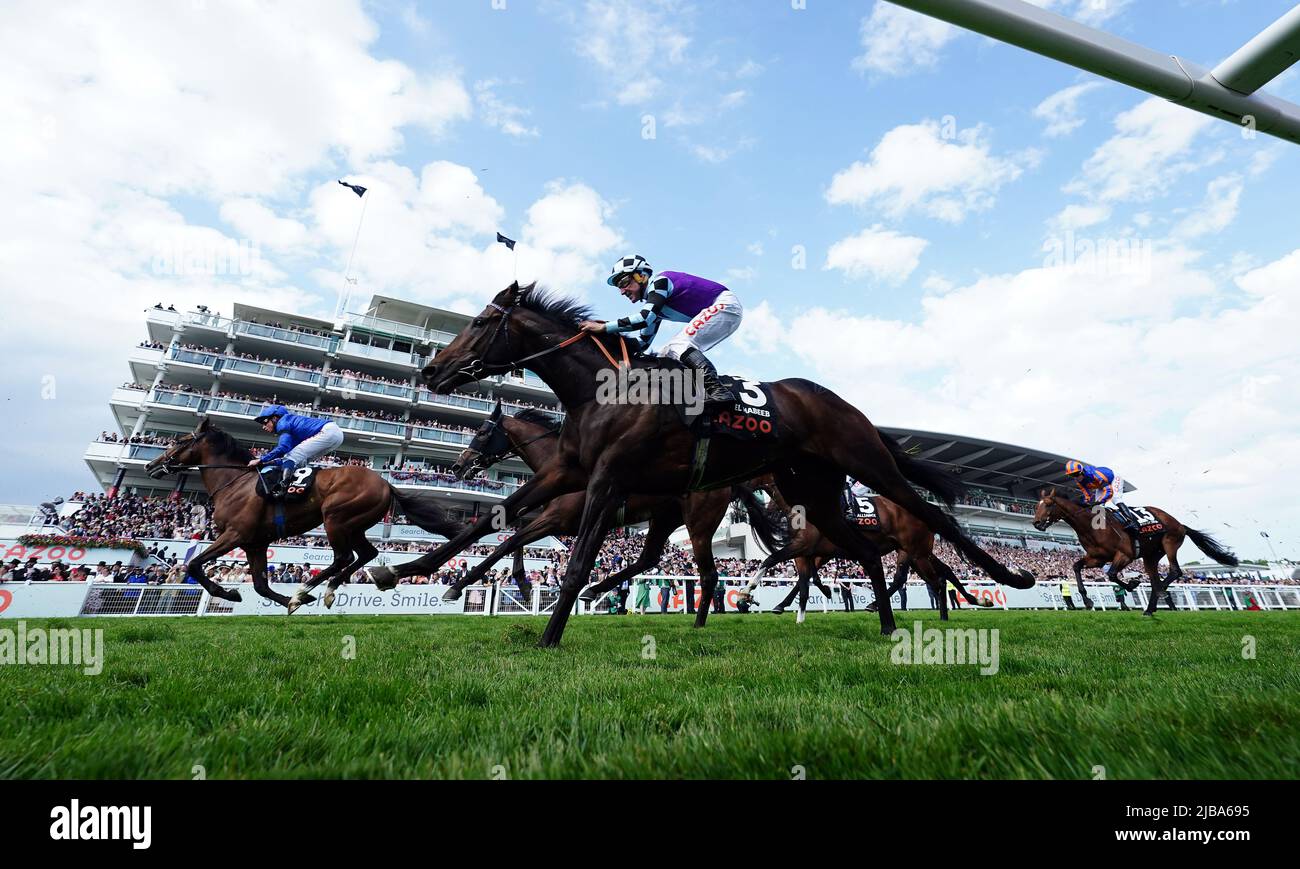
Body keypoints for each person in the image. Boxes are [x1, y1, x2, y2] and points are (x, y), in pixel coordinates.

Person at [579, 255, 742, 406]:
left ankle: (717, 390)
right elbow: (642, 344)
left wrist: (604, 327)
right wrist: (609, 342)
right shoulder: (654, 306)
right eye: (618, 287)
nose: (622, 291)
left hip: (725, 305)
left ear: (641, 276)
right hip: (722, 310)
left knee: (678, 344)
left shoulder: (660, 282)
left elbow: (644, 318)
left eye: (623, 283)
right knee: (665, 354)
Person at [249, 404, 345, 499]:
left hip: (328, 431)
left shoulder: (282, 422)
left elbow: (283, 448)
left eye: (265, 422)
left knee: (291, 457)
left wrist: (261, 459)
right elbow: (286, 456)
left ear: (275, 418)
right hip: (336, 435)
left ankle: (282, 488)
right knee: (300, 461)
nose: (263, 427)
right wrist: (268, 462)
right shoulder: (291, 428)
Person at [1065, 459, 1141, 534]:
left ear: (1082, 471)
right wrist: (1087, 502)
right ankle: (1100, 527)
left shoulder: (1094, 474)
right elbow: (1087, 494)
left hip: (1114, 478)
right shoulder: (1079, 481)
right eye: (1072, 475)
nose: (1075, 477)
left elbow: (1108, 491)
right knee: (1098, 507)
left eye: (1076, 474)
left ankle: (1132, 522)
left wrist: (1099, 501)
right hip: (1100, 484)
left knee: (1116, 499)